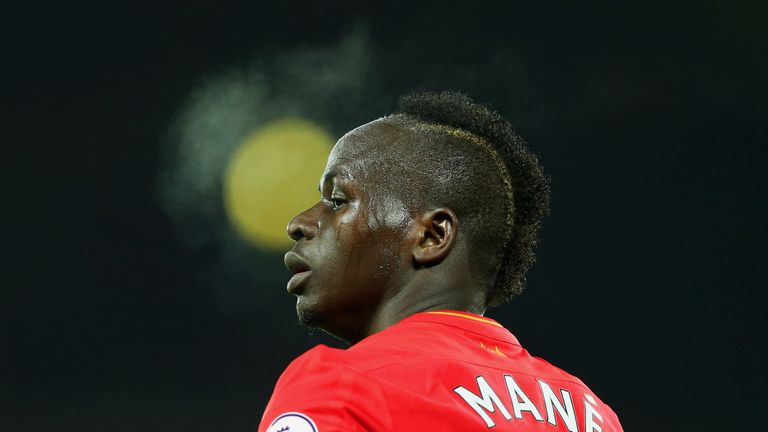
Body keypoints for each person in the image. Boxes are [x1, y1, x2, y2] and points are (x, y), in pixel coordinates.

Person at [258, 92, 623, 432]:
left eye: (337, 200)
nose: (299, 223)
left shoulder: (343, 385)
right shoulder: (590, 412)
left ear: (432, 236)